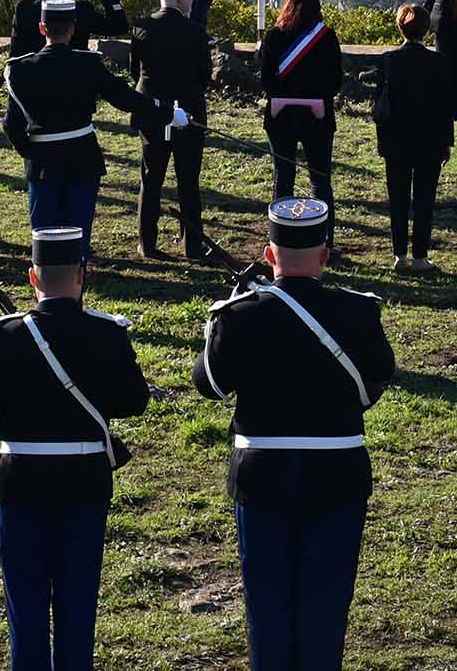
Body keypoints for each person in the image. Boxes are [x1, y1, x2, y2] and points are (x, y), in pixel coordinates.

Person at [193, 198, 395, 671]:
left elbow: (210, 384)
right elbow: (376, 384)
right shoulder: (357, 312)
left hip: (263, 471)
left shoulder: (240, 314)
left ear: (269, 253)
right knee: (326, 607)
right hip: (337, 469)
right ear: (326, 254)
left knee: (267, 608)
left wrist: (220, 321)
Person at [0, 225, 150, 671]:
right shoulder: (107, 334)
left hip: (21, 481)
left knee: (25, 606)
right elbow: (134, 402)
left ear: (32, 277)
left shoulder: (0, 336)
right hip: (84, 481)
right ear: (82, 276)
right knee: (78, 602)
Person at [4, 0, 185, 239]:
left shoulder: (19, 69)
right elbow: (125, 98)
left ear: (42, 28)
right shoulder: (87, 64)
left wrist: (32, 150)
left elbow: (11, 125)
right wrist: (167, 113)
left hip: (42, 163)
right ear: (73, 29)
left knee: (44, 240)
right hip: (82, 157)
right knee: (78, 235)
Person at [131, 0, 211, 259]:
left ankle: (147, 243)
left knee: (151, 178)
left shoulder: (141, 27)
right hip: (187, 113)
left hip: (151, 111)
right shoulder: (195, 31)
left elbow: (135, 70)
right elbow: (204, 77)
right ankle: (192, 244)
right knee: (188, 181)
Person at [256, 0, 343, 246]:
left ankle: (280, 240)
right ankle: (325, 242)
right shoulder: (327, 37)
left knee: (283, 178)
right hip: (317, 118)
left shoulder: (273, 37)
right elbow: (335, 83)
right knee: (320, 180)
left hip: (281, 117)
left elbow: (266, 83)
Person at [371, 4, 453, 273]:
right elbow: (445, 108)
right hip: (429, 140)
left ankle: (399, 254)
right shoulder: (439, 62)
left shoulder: (388, 60)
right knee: (424, 200)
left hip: (396, 140)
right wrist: (446, 143)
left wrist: (382, 140)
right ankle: (420, 256)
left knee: (398, 198)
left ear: (400, 27)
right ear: (426, 29)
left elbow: (380, 107)